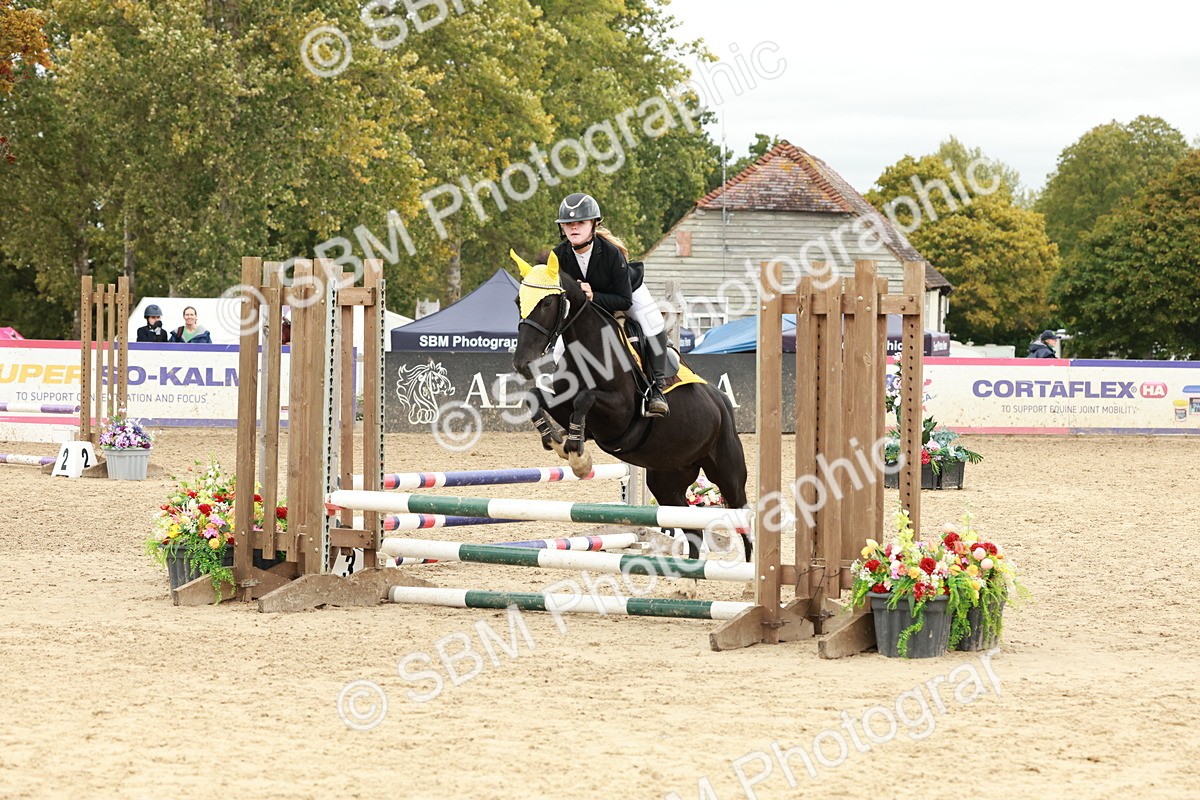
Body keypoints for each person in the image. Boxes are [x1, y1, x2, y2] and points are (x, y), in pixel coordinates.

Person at [551, 192, 671, 417]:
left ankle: (657, 389)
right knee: (559, 349)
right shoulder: (558, 256)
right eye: (568, 224)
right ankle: (569, 391)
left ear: (593, 225)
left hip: (627, 292)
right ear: (562, 228)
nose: (574, 228)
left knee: (652, 322)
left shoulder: (611, 253)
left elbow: (624, 300)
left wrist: (593, 296)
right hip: (589, 305)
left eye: (580, 223)